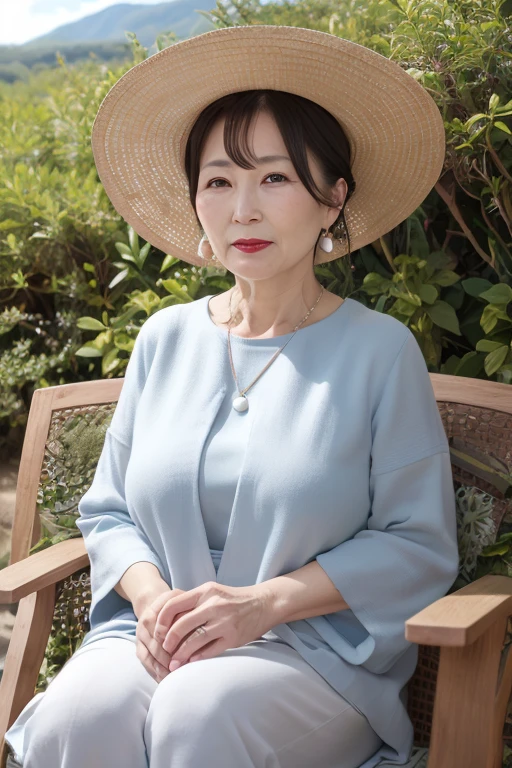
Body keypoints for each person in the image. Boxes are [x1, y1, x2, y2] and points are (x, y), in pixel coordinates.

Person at [4, 24, 459, 768]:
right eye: (219, 181)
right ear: (198, 207)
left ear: (332, 198)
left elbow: (416, 543)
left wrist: (263, 604)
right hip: (152, 632)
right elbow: (110, 508)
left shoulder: (381, 353)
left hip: (313, 652)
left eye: (275, 178)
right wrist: (152, 605)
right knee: (74, 717)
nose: (243, 209)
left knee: (197, 714)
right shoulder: (166, 338)